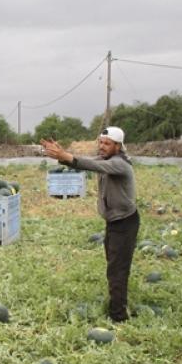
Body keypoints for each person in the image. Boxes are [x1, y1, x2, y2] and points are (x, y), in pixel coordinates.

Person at [41, 127, 139, 322]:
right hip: (113, 222)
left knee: (117, 269)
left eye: (107, 143)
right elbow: (88, 163)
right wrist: (63, 157)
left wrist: (67, 156)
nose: (102, 146)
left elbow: (94, 166)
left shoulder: (120, 164)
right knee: (114, 265)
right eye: (100, 142)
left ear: (118, 146)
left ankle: (118, 316)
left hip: (125, 223)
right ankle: (117, 304)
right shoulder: (105, 160)